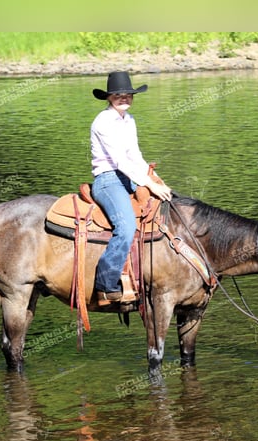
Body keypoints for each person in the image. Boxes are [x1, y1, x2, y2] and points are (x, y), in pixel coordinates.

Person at [90, 71, 172, 305]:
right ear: (109, 97)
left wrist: (153, 177)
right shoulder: (103, 122)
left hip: (129, 176)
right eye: (118, 95)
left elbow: (134, 155)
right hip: (108, 180)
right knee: (126, 227)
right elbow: (119, 161)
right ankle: (105, 284)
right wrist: (147, 184)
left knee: (169, 204)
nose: (124, 98)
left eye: (128, 95)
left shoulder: (129, 120)